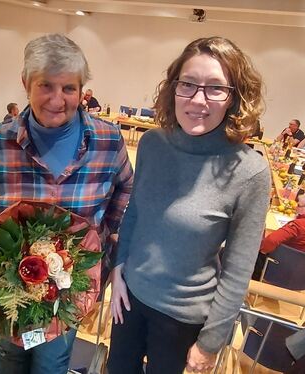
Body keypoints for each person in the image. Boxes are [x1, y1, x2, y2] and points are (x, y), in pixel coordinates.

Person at [0, 33, 134, 373]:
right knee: (9, 361)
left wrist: (103, 243)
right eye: (46, 86)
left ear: (82, 90)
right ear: (26, 83)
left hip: (68, 298)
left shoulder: (107, 140)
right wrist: (6, 247)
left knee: (52, 363)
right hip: (8, 292)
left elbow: (126, 196)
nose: (58, 99)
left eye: (69, 88)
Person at [107, 37, 271, 374]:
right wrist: (118, 268)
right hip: (130, 299)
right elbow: (135, 213)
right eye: (189, 84)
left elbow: (239, 270)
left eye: (215, 88)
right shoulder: (153, 144)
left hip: (183, 319)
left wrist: (211, 342)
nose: (198, 99)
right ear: (174, 88)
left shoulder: (249, 170)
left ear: (234, 98)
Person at [252, 192, 305, 280]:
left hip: (282, 268)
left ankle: (254, 283)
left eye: (299, 205)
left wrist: (262, 251)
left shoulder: (298, 225)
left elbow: (271, 240)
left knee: (258, 247)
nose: (296, 207)